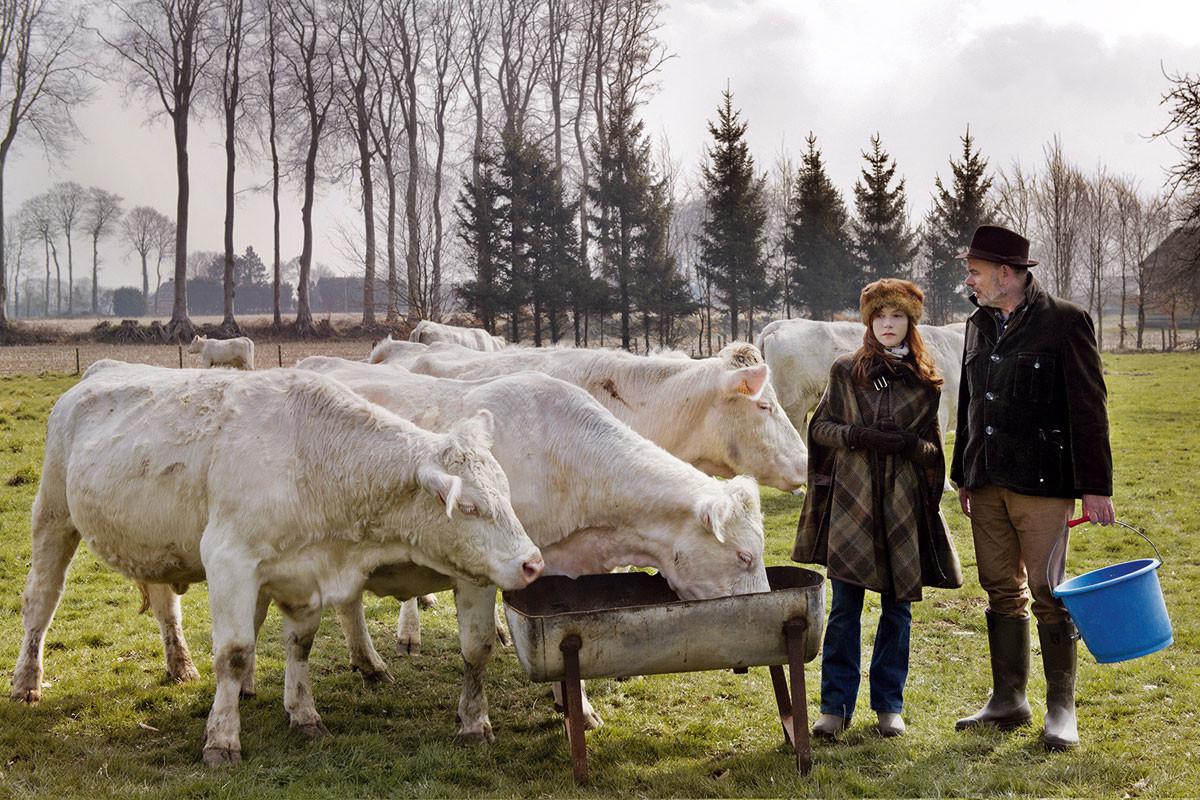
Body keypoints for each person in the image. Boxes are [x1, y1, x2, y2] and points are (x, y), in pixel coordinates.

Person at [951, 224, 1115, 751]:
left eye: (975, 271)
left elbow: (1089, 408)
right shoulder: (977, 323)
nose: (969, 280)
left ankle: (1060, 709)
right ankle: (1008, 700)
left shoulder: (1065, 322)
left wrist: (1095, 486)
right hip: (987, 479)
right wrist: (963, 472)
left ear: (1006, 273)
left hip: (1044, 482)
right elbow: (968, 403)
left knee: (1047, 593)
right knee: (1000, 588)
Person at [794, 278, 962, 739]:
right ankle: (834, 706)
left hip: (902, 504)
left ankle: (890, 705)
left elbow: (933, 451)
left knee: (897, 609)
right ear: (870, 322)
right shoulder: (845, 371)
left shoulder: (926, 383)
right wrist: (858, 436)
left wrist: (910, 445)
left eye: (898, 317)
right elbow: (821, 428)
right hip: (853, 501)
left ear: (911, 322)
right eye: (880, 317)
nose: (888, 325)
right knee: (845, 607)